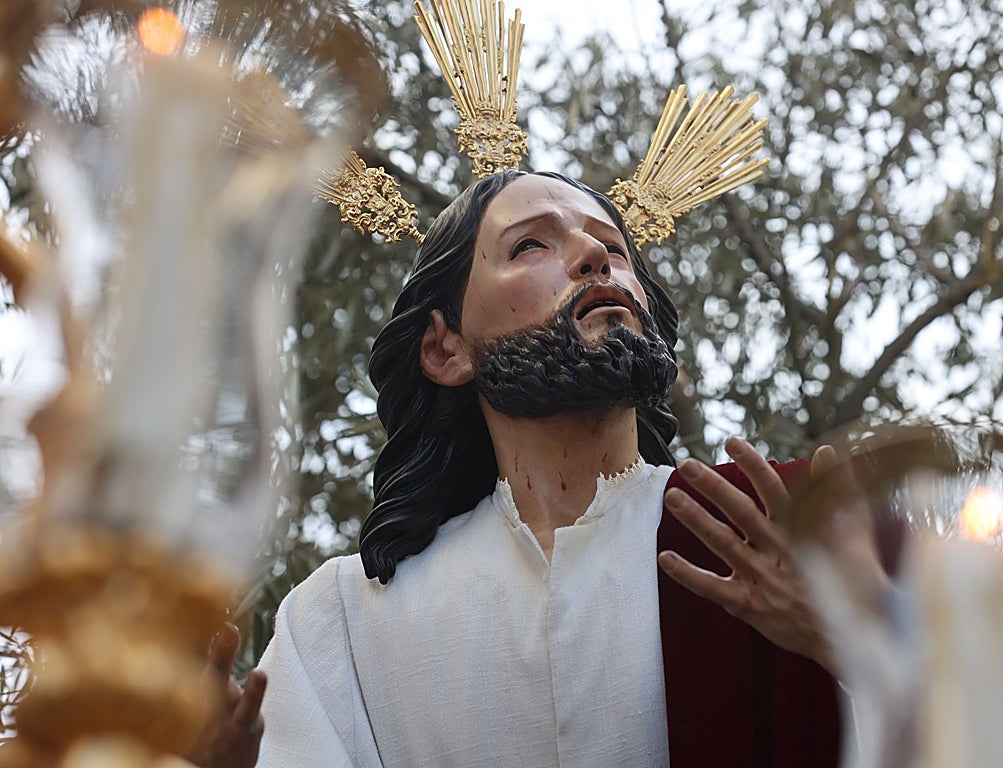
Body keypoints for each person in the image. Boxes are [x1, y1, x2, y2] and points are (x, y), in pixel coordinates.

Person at [220, 169, 841, 767]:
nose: (594, 256)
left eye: (614, 246)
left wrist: (857, 647)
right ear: (445, 348)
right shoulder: (344, 623)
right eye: (531, 245)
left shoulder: (777, 534)